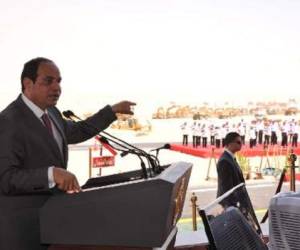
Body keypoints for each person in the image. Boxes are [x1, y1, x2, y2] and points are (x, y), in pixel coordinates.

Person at [0, 57, 135, 250]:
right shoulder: (8, 121)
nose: (57, 88)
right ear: (27, 84)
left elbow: (78, 130)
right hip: (23, 232)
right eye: (48, 81)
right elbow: (6, 178)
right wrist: (51, 174)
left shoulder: (52, 113)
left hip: (53, 224)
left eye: (59, 81)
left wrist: (111, 112)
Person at [216, 132, 245, 206]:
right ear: (230, 143)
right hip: (229, 203)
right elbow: (227, 188)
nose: (241, 144)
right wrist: (236, 204)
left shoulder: (230, 158)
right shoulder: (224, 161)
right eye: (238, 142)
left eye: (241, 142)